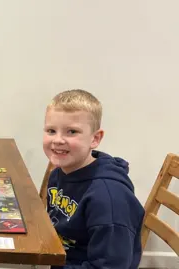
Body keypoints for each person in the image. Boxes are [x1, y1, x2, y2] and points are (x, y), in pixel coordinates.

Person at [42, 89, 144, 268]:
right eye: (51, 130)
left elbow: (112, 265)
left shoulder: (108, 198)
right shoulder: (59, 172)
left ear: (95, 138)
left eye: (71, 132)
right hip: (58, 257)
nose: (58, 140)